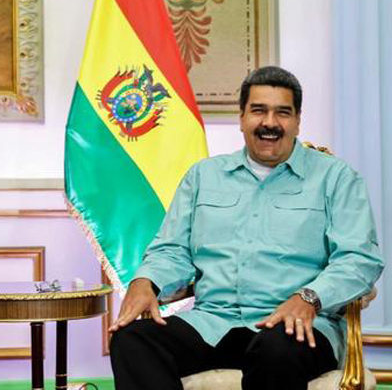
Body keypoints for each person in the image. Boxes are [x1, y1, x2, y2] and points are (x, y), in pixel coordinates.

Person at [109, 66, 384, 390]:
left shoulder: (337, 178)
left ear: (297, 121)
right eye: (258, 111)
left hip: (296, 327)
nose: (270, 122)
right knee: (132, 339)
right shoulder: (203, 176)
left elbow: (359, 259)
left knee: (276, 350)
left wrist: (309, 298)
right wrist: (146, 281)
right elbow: (172, 249)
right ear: (241, 118)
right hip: (213, 323)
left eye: (282, 112)